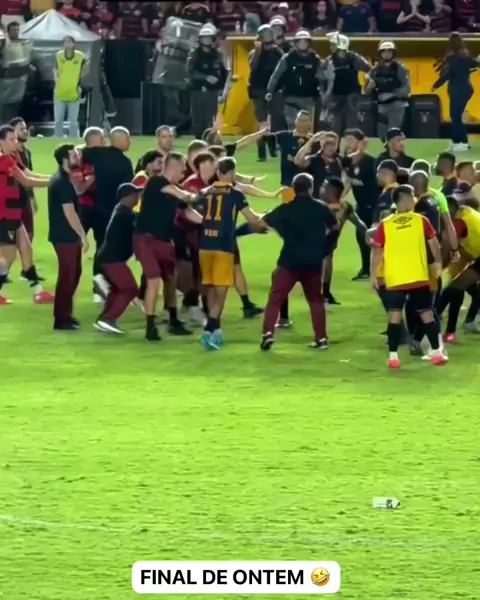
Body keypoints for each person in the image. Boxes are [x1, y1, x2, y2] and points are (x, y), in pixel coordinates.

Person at [259, 172, 337, 351]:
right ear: (311, 187)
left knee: (275, 298)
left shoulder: (286, 208)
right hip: (313, 261)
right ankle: (321, 339)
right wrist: (325, 245)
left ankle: (268, 334)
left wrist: (282, 231)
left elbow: (262, 222)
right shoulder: (321, 207)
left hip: (290, 261)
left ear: (293, 189)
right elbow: (335, 226)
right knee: (315, 300)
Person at [371, 185, 446, 368]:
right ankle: (437, 353)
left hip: (395, 278)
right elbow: (434, 243)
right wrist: (438, 262)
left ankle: (393, 357)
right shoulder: (421, 220)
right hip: (417, 276)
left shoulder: (385, 224)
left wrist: (373, 275)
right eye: (412, 197)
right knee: (427, 314)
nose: (414, 200)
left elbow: (378, 252)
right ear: (404, 199)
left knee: (394, 316)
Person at [196, 157, 262, 350]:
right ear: (232, 173)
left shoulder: (204, 192)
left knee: (210, 287)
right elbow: (252, 218)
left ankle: (216, 329)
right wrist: (267, 217)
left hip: (204, 246)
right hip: (223, 248)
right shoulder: (236, 194)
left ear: (218, 173)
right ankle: (209, 330)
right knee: (221, 291)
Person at [133, 152, 201, 341]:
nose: (184, 172)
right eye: (183, 168)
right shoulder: (157, 182)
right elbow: (186, 197)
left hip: (164, 241)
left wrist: (209, 222)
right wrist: (203, 194)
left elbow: (187, 211)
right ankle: (150, 326)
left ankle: (173, 320)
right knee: (154, 281)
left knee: (171, 280)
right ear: (173, 166)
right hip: (146, 239)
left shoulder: (173, 189)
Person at [80, 127, 134, 300]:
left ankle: (95, 286)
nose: (130, 142)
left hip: (91, 208)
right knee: (105, 248)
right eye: (127, 138)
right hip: (111, 212)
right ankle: (101, 287)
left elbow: (79, 150)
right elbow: (127, 192)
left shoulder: (97, 154)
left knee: (82, 247)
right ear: (119, 140)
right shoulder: (124, 162)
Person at [0, 125, 51, 306]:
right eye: (11, 139)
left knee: (26, 250)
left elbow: (28, 173)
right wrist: (56, 182)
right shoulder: (4, 161)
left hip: (13, 212)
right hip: (4, 214)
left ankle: (38, 291)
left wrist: (55, 178)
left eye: (16, 138)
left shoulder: (12, 157)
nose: (16, 142)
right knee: (7, 258)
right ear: (1, 142)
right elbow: (26, 181)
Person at [48, 144, 89, 330]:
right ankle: (61, 318)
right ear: (65, 159)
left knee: (74, 273)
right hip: (65, 236)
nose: (78, 157)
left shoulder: (64, 179)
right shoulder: (62, 182)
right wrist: (83, 235)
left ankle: (66, 313)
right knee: (67, 275)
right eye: (74, 155)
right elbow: (69, 213)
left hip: (66, 235)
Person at [95, 183, 142, 334]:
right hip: (112, 260)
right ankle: (108, 319)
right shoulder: (124, 214)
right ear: (127, 197)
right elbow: (140, 223)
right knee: (130, 289)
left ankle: (104, 319)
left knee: (117, 290)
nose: (137, 197)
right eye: (135, 194)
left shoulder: (122, 211)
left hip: (108, 258)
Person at [438, 196, 480, 340]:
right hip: (473, 255)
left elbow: (448, 244)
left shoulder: (459, 221)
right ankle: (454, 329)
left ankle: (432, 322)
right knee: (458, 288)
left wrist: (440, 266)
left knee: (454, 288)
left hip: (476, 256)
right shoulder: (466, 213)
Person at [72, 126, 105, 302]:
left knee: (103, 247)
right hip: (82, 208)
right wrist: (92, 178)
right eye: (102, 139)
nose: (104, 142)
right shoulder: (77, 159)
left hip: (101, 207)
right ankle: (70, 287)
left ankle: (98, 290)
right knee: (74, 248)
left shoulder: (106, 157)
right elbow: (78, 189)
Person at [266, 29, 324, 129]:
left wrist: (322, 92)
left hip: (309, 98)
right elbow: (276, 76)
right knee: (292, 126)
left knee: (307, 127)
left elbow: (322, 78)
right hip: (290, 98)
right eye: (300, 42)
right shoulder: (287, 58)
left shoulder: (315, 59)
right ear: (296, 43)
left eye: (305, 42)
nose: (302, 44)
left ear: (309, 43)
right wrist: (270, 91)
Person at [432, 32, 480, 152]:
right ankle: (457, 142)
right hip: (466, 90)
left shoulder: (452, 58)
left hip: (458, 91)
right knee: (456, 116)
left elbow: (448, 74)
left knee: (455, 117)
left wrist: (435, 85)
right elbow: (474, 65)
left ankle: (462, 142)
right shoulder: (466, 56)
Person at [342, 129, 379, 280]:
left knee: (377, 238)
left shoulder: (371, 162)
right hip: (361, 206)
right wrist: (340, 198)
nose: (348, 143)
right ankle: (365, 270)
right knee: (361, 237)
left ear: (360, 142)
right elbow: (348, 183)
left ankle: (380, 270)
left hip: (375, 206)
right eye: (346, 140)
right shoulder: (349, 163)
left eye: (351, 140)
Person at [248, 24, 284, 162]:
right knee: (262, 122)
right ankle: (261, 152)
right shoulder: (255, 52)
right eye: (264, 34)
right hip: (258, 90)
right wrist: (258, 50)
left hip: (274, 90)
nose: (267, 36)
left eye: (269, 33)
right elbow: (252, 66)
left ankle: (273, 147)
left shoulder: (278, 52)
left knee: (275, 120)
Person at [186, 23, 229, 139]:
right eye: (204, 37)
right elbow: (190, 72)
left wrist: (224, 91)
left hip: (213, 92)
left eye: (209, 37)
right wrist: (205, 77)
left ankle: (210, 143)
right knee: (198, 120)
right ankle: (198, 142)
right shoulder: (194, 54)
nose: (207, 40)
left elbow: (225, 73)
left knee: (211, 120)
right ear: (200, 39)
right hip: (197, 91)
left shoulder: (218, 55)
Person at [324, 32, 371, 135]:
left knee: (352, 125)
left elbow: (369, 69)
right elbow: (322, 75)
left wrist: (368, 81)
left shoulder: (354, 58)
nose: (331, 47)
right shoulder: (330, 60)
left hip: (352, 96)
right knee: (335, 125)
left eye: (333, 44)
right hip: (336, 96)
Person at [365, 41, 411, 141]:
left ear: (393, 53)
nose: (387, 54)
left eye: (389, 51)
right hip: (381, 106)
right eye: (384, 51)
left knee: (393, 132)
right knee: (381, 134)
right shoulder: (375, 70)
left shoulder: (400, 69)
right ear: (380, 53)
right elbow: (366, 91)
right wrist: (370, 86)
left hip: (397, 105)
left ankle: (396, 146)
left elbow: (407, 89)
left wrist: (391, 95)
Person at [53, 36, 89, 138]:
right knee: (58, 120)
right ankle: (57, 139)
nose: (67, 44)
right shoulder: (59, 55)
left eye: (69, 42)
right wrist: (56, 78)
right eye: (65, 42)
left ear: (74, 44)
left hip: (74, 92)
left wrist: (80, 76)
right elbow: (55, 68)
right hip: (60, 92)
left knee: (73, 121)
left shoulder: (80, 56)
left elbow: (88, 65)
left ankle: (74, 140)